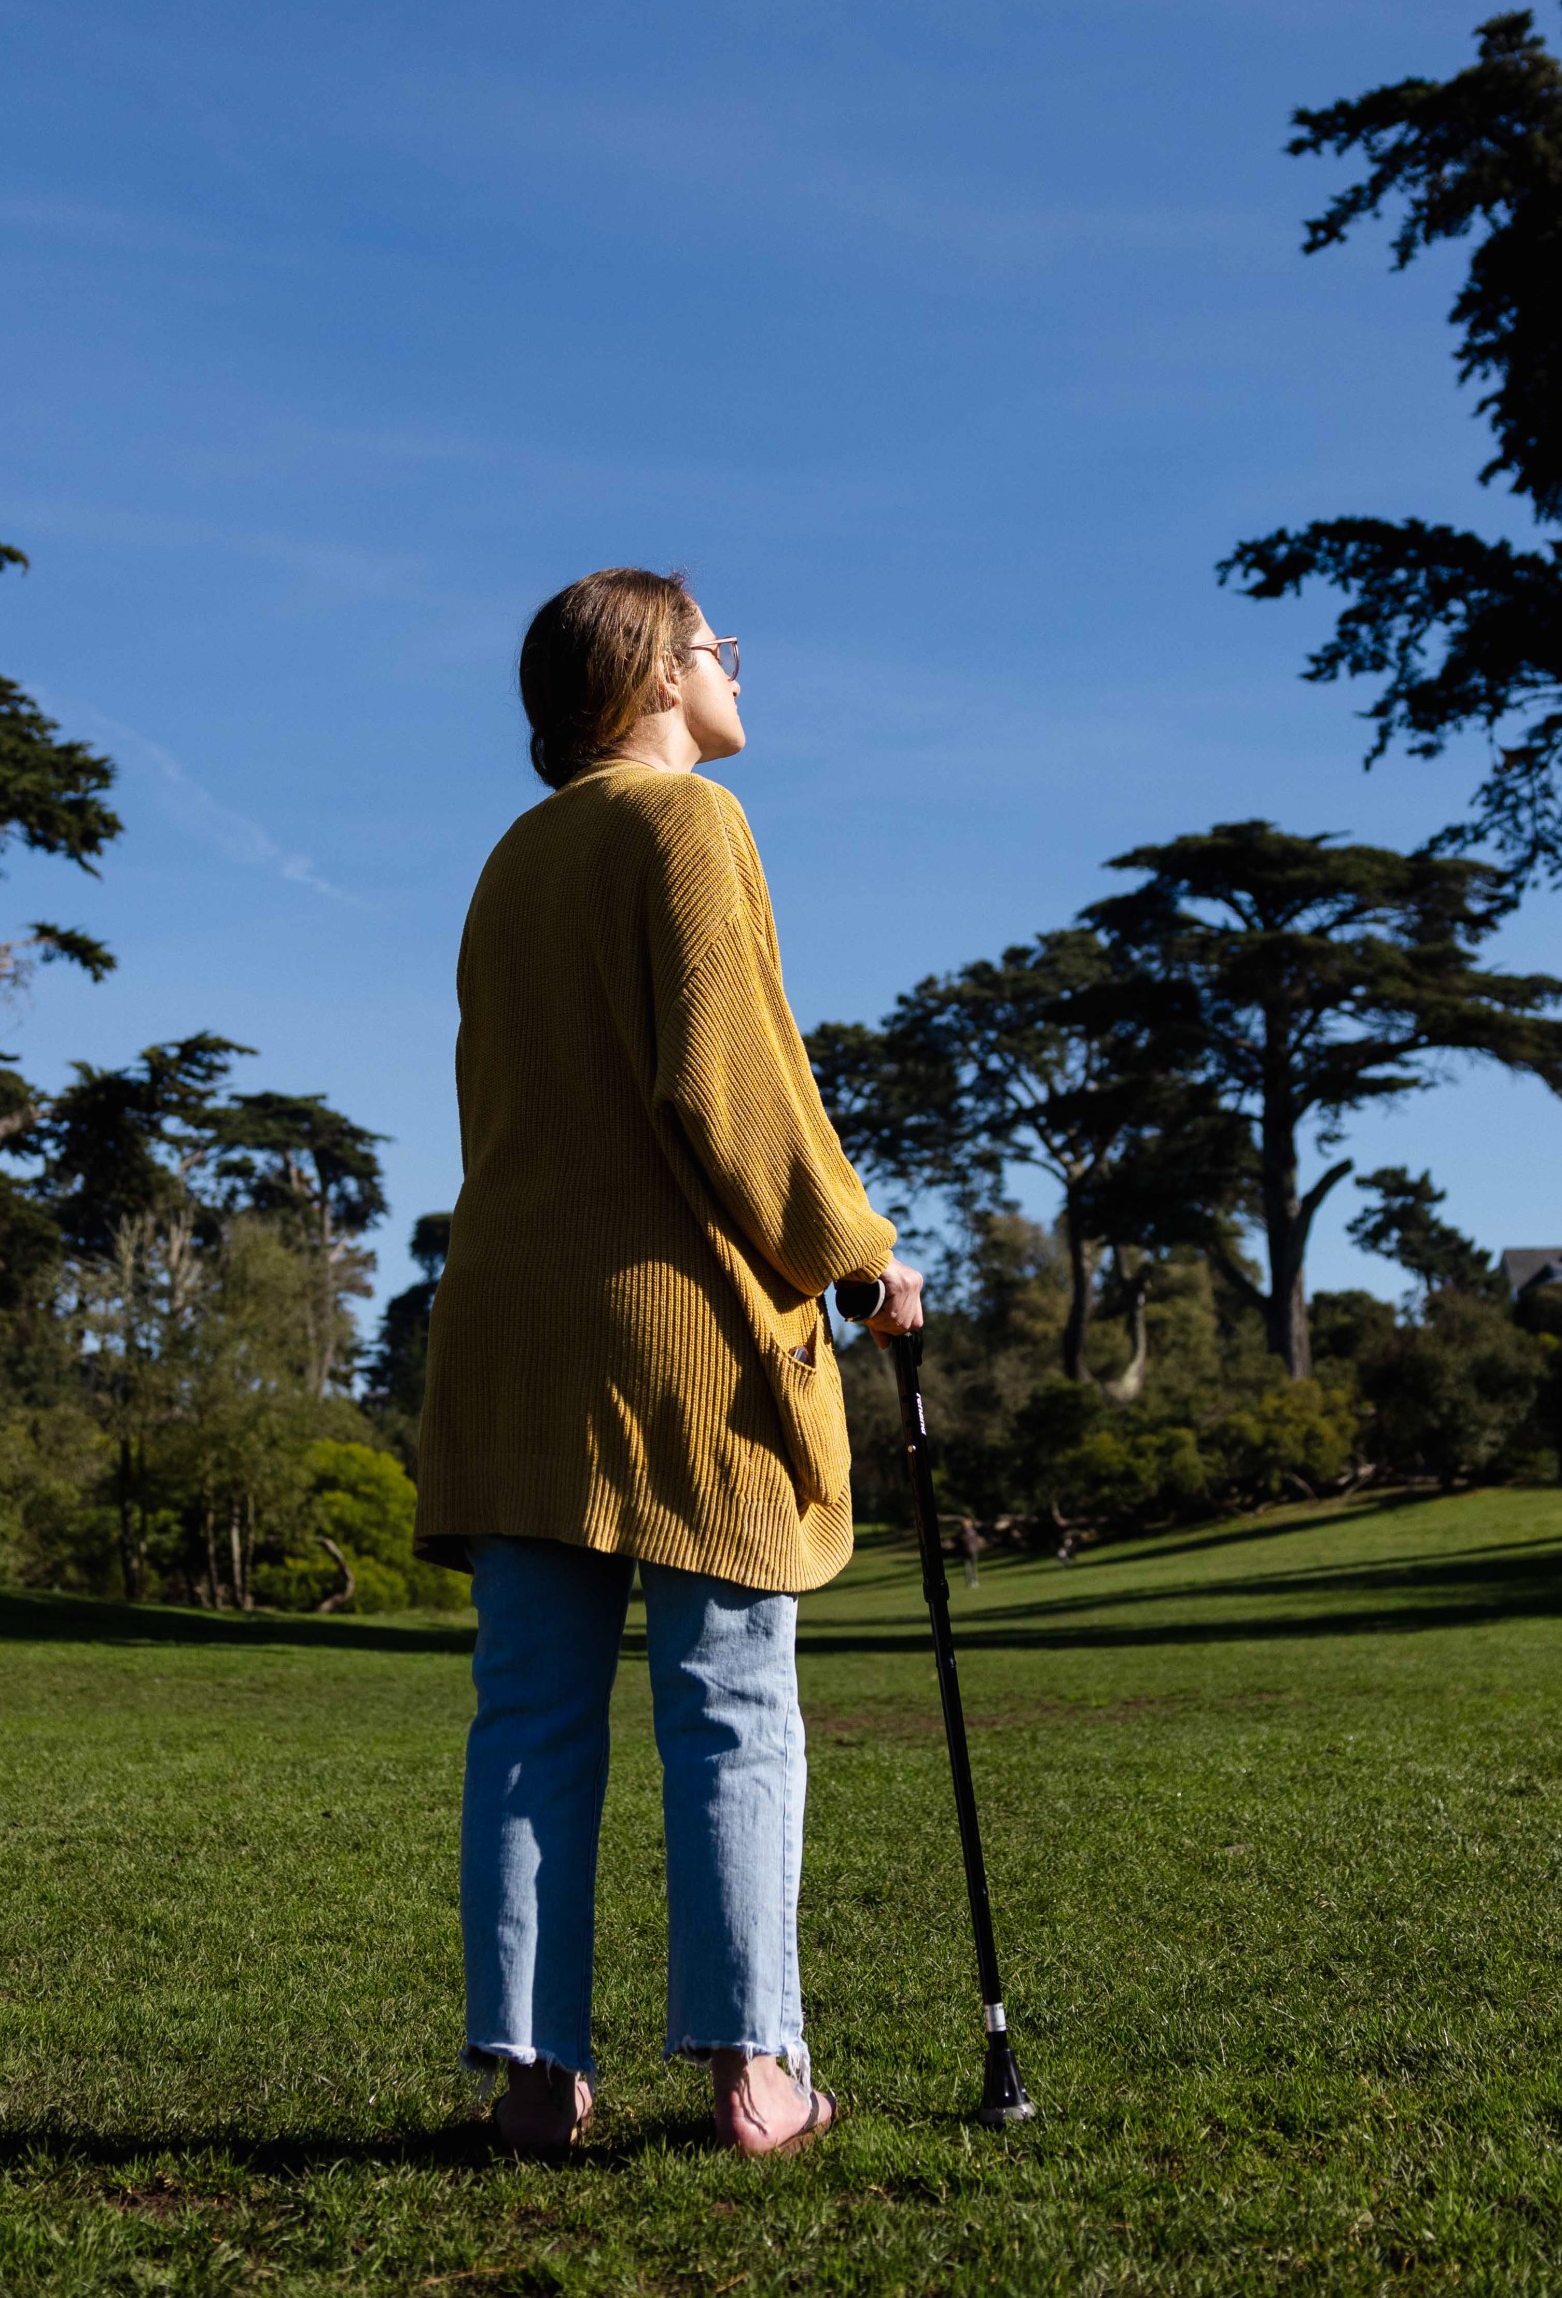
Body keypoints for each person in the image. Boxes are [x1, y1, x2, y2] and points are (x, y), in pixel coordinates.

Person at [413, 566, 926, 2159]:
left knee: (531, 1717)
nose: (732, 668)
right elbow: (734, 1089)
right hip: (673, 1333)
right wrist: (860, 1253)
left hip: (509, 1331)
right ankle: (754, 2076)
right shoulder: (687, 825)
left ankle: (533, 2083)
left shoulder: (511, 861)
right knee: (728, 1704)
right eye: (714, 647)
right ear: (649, 671)